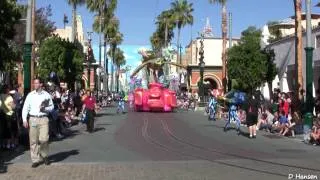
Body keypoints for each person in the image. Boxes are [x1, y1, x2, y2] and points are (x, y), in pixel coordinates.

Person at [22, 78, 54, 168]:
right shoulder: (30, 95)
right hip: (33, 119)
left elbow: (52, 107)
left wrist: (45, 109)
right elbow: (25, 108)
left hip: (43, 118)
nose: (35, 85)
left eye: (36, 83)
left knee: (44, 139)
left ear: (41, 84)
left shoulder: (46, 95)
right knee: (33, 141)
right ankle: (35, 159)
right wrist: (24, 119)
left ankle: (44, 155)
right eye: (34, 83)